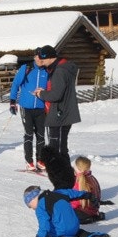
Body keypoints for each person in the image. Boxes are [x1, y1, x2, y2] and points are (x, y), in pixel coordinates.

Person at [32, 46, 79, 190]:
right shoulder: (63, 67)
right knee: (61, 149)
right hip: (64, 113)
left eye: (43, 58)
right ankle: (68, 183)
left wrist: (41, 94)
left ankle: (65, 184)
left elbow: (55, 95)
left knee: (57, 151)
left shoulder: (59, 71)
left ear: (50, 57)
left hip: (60, 114)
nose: (41, 61)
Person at [27, 186, 110, 237]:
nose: (31, 208)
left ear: (33, 198)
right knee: (79, 232)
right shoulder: (59, 192)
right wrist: (88, 195)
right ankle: (92, 236)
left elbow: (44, 225)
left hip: (61, 231)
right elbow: (74, 193)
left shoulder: (40, 207)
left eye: (29, 205)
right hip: (74, 227)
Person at [8, 54, 49, 171]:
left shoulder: (47, 70)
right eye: (38, 57)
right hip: (26, 107)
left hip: (41, 107)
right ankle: (29, 161)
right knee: (29, 134)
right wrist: (12, 101)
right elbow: (16, 84)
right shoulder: (26, 68)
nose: (40, 60)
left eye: (42, 58)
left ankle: (40, 161)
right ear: (34, 57)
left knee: (41, 135)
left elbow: (50, 87)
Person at [71, 156, 104, 223]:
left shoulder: (79, 182)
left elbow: (75, 202)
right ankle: (92, 216)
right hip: (93, 210)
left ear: (77, 168)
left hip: (82, 211)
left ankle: (86, 218)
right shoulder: (92, 178)